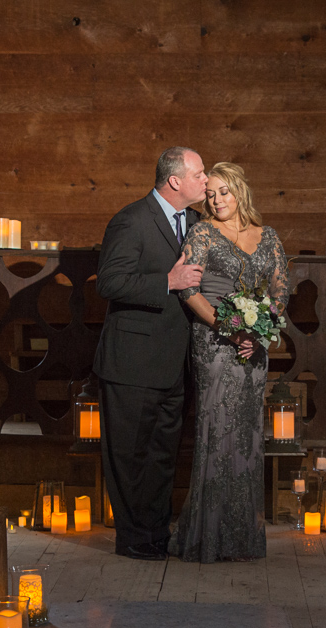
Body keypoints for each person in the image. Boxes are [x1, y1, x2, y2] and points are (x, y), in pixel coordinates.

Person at [92, 147, 208, 561]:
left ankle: (157, 534)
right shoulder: (131, 219)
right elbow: (110, 282)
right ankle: (134, 540)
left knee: (163, 455)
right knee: (129, 456)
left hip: (174, 365)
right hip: (132, 364)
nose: (206, 181)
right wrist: (168, 281)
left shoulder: (195, 223)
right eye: (199, 174)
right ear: (175, 180)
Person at [170, 162, 289, 562]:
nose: (217, 200)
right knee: (217, 431)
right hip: (215, 343)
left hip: (255, 348)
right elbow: (188, 290)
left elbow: (279, 291)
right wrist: (231, 329)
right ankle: (209, 537)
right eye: (211, 194)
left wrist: (259, 331)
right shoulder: (202, 232)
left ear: (240, 191)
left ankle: (242, 536)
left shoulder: (268, 236)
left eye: (224, 192)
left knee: (247, 435)